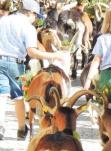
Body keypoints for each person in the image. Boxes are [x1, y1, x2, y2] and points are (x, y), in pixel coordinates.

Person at [0, 0, 64, 140]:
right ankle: (22, 129)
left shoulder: (3, 20)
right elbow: (32, 52)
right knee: (18, 96)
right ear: (30, 13)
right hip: (15, 64)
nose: (35, 20)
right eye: (36, 16)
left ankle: (1, 126)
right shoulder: (28, 27)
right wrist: (54, 55)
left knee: (2, 95)